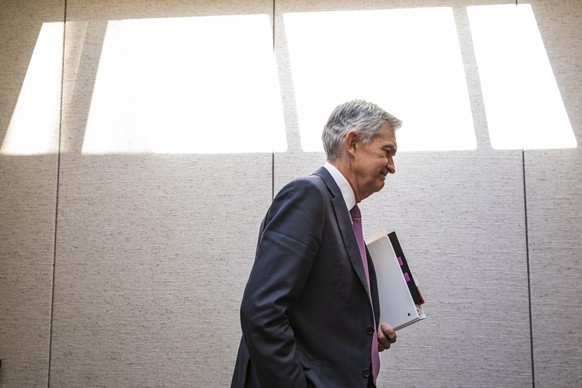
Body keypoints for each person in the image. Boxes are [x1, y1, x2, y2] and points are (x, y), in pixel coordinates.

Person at [231, 99, 402, 388]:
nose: (392, 167)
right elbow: (261, 310)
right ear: (352, 143)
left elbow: (319, 314)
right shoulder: (308, 195)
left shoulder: (345, 213)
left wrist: (368, 336)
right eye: (387, 152)